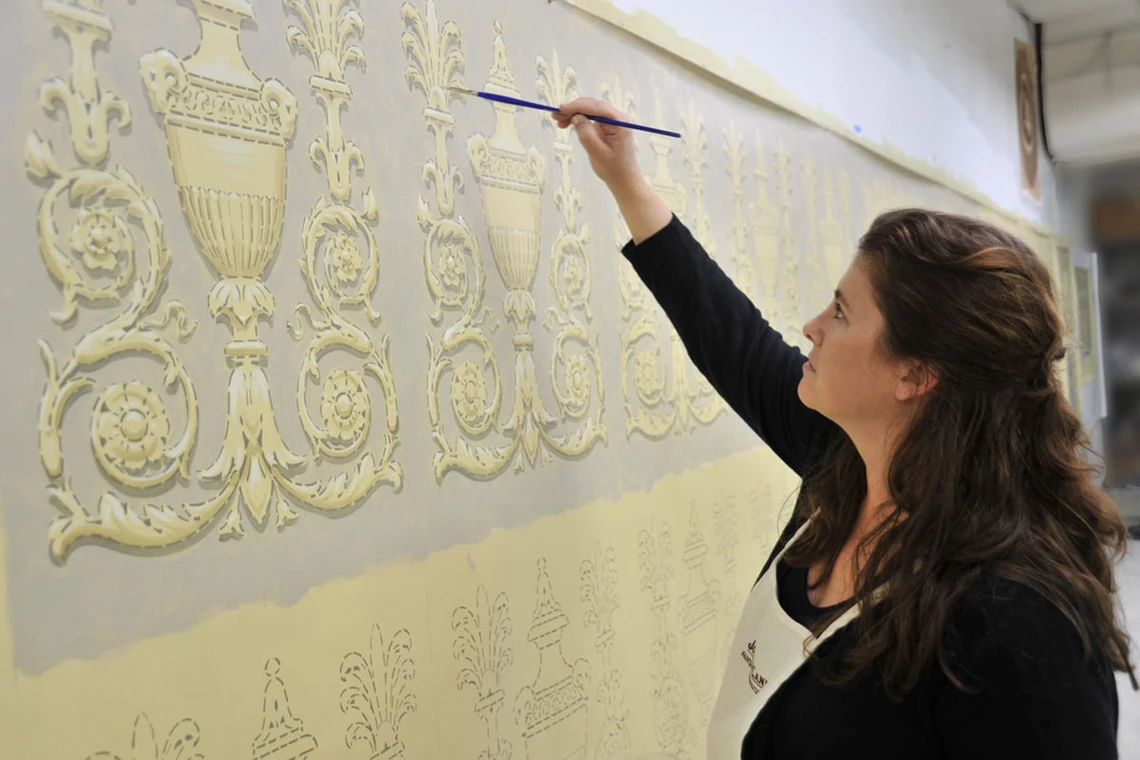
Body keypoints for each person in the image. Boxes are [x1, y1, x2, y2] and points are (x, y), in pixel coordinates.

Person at [551, 98, 1138, 759]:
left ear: (914, 375)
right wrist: (626, 181)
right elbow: (731, 339)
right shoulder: (845, 461)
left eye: (841, 311)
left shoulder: (1022, 624)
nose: (811, 326)